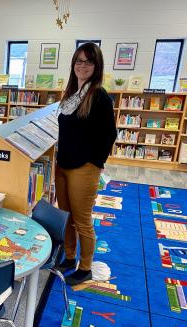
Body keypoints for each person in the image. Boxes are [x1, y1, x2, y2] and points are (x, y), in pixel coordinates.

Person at [54, 42, 117, 286]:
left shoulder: (98, 95)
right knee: (66, 217)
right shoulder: (71, 94)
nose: (82, 66)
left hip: (84, 167)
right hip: (63, 165)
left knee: (82, 220)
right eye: (78, 61)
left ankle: (86, 267)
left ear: (96, 65)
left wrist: (96, 162)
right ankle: (69, 257)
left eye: (88, 61)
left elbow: (109, 134)